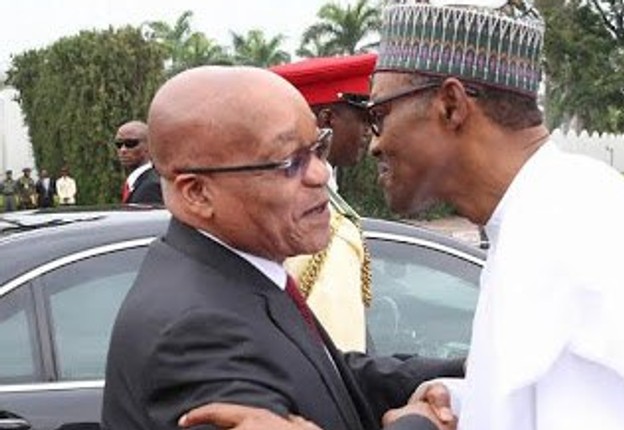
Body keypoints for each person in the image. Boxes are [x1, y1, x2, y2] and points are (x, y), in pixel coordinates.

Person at [363, 2, 624, 429]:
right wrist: (463, 401)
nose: (373, 145)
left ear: (451, 105)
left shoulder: (565, 231)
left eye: (379, 116)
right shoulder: (549, 208)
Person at [101, 65, 463, 430]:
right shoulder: (194, 335)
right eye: (290, 162)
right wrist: (421, 425)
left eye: (319, 148)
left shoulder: (237, 273)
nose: (320, 174)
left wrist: (468, 372)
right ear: (197, 193)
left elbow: (326, 376)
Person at [270, 53, 376, 352]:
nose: (370, 131)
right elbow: (341, 354)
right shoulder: (322, 224)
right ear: (327, 120)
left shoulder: (273, 206)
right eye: (365, 118)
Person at [114, 120, 163, 204]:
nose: (123, 150)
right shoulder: (142, 182)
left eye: (131, 143)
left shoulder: (150, 187)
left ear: (149, 145)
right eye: (118, 144)